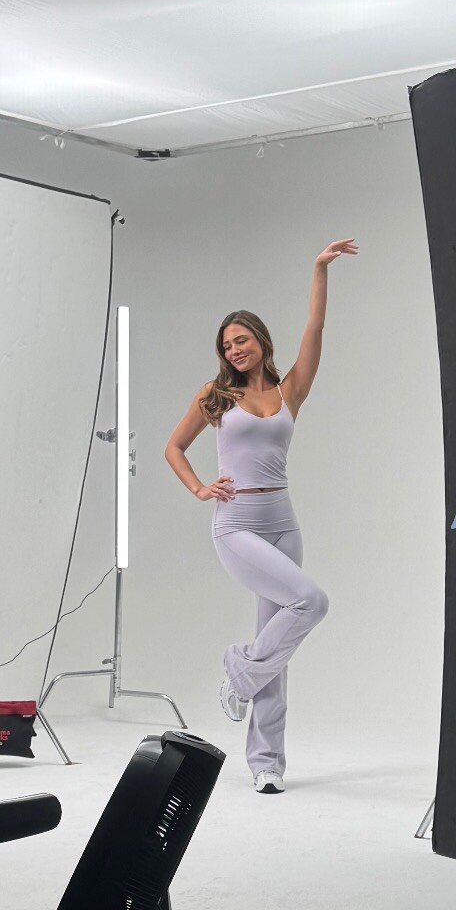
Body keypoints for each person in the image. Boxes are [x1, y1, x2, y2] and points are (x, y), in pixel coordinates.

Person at [164, 240, 357, 792]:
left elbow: (315, 329)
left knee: (279, 644)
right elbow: (174, 447)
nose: (235, 350)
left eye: (241, 340)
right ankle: (241, 666)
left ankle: (267, 763)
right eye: (227, 346)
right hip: (237, 523)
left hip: (283, 523)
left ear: (260, 340)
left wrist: (319, 268)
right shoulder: (215, 395)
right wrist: (200, 487)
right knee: (311, 602)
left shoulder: (290, 390)